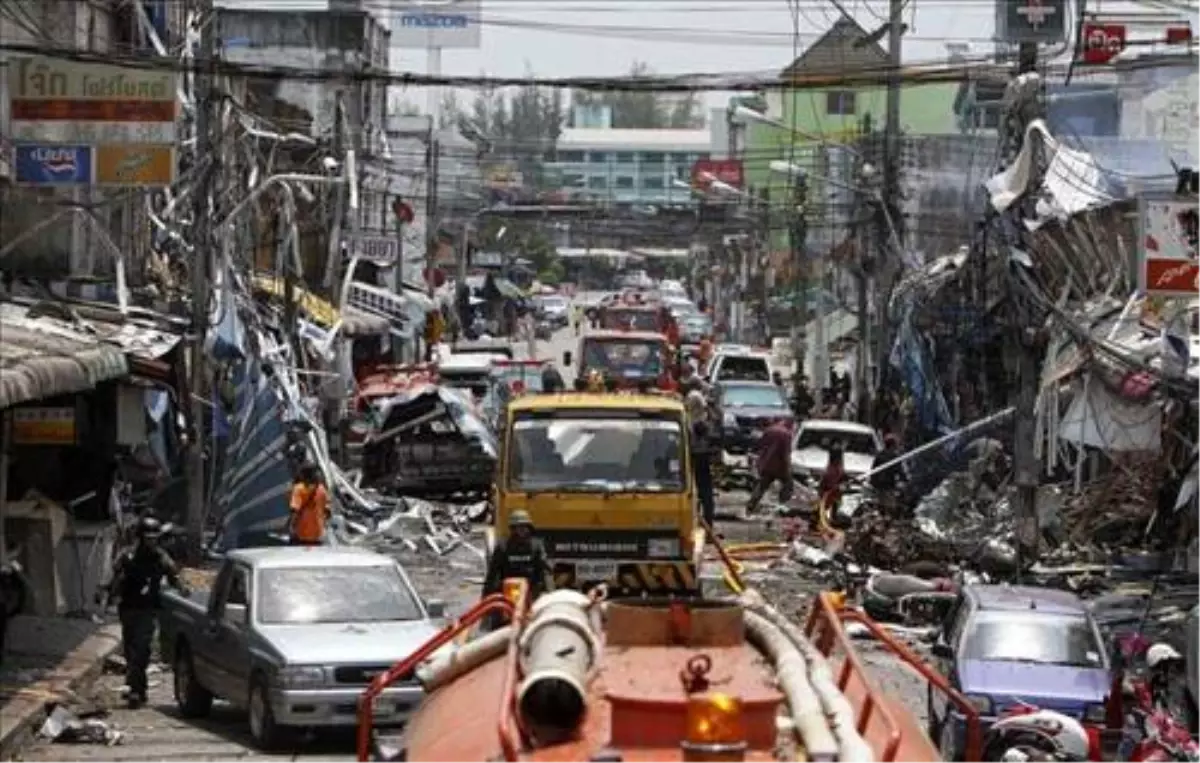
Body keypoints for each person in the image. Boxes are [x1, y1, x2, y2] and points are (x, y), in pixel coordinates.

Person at [100, 516, 189, 707]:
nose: (151, 542)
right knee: (131, 651)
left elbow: (174, 576)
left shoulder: (161, 557)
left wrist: (183, 589)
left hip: (147, 610)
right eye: (148, 538)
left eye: (154, 538)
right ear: (140, 537)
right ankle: (136, 687)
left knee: (142, 649)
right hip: (128, 608)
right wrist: (106, 595)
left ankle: (136, 690)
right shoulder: (128, 556)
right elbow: (114, 578)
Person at [481, 511, 553, 629]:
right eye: (518, 527)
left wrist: (550, 594)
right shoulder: (503, 546)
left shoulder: (536, 546)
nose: (521, 530)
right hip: (508, 593)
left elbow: (546, 571)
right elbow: (493, 573)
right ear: (512, 529)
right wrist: (486, 598)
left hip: (531, 591)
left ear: (529, 528)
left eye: (524, 527)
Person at [746, 418, 794, 514]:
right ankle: (782, 504)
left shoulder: (769, 430)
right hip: (780, 466)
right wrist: (788, 467)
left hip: (766, 463)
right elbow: (786, 453)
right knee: (788, 484)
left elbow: (760, 446)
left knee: (762, 486)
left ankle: (750, 506)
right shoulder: (787, 434)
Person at [686, 391, 716, 529]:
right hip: (701, 457)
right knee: (705, 493)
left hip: (691, 458)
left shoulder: (688, 421)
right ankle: (707, 524)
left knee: (697, 492)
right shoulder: (700, 422)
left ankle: (702, 522)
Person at [286, 462, 329, 546]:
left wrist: (290, 528)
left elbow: (295, 510)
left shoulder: (298, 489)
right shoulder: (322, 489)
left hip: (301, 535)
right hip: (317, 535)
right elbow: (326, 512)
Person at [818, 443, 847, 527]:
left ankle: (831, 518)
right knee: (828, 505)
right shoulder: (831, 470)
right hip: (829, 493)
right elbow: (827, 483)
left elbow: (842, 476)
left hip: (833, 493)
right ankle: (827, 520)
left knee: (834, 505)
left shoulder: (837, 467)